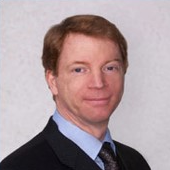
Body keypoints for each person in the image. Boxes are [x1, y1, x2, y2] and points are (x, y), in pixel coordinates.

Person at [0, 14, 151, 170]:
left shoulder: (135, 162)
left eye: (110, 67)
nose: (98, 83)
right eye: (79, 69)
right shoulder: (20, 166)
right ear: (52, 81)